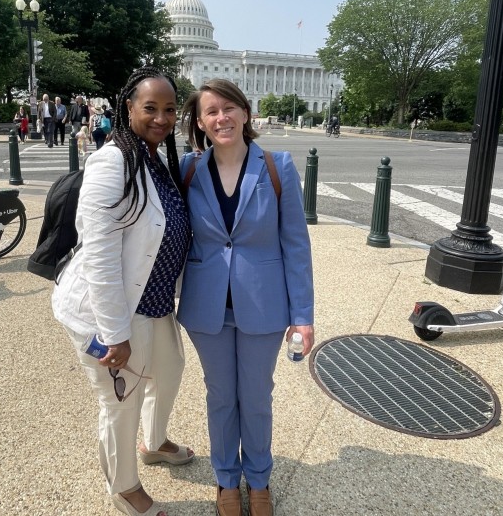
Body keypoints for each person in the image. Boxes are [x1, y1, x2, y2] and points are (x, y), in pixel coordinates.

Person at [52, 66, 194, 516]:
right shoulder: (114, 161)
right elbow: (99, 254)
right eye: (150, 107)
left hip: (154, 304)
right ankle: (124, 486)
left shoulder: (155, 158)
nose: (161, 117)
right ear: (127, 107)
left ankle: (154, 443)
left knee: (169, 371)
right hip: (112, 310)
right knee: (120, 401)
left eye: (169, 109)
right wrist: (114, 333)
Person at [178, 79, 314, 516]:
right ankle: (225, 480)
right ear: (200, 122)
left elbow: (295, 243)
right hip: (207, 306)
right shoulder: (189, 169)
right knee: (220, 396)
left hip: (264, 305)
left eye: (229, 108)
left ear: (246, 112)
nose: (222, 118)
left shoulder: (278, 167)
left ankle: (258, 479)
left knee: (256, 396)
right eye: (212, 112)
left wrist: (303, 315)